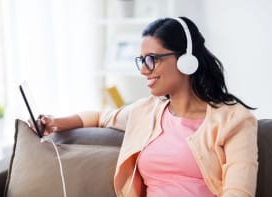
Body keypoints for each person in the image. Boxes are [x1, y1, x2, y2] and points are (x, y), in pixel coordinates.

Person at [34, 17, 258, 197]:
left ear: (185, 59)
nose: (143, 70)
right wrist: (54, 123)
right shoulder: (145, 112)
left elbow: (239, 191)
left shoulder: (235, 119)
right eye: (141, 60)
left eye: (151, 59)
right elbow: (100, 117)